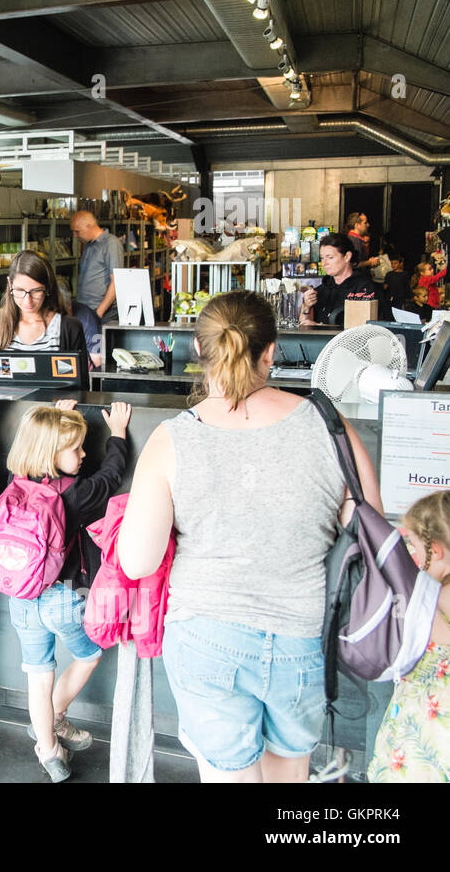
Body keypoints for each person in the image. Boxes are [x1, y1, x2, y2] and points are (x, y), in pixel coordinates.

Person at [116, 291, 382, 782]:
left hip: (204, 638)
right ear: (271, 351)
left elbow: (136, 562)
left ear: (199, 350)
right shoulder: (328, 426)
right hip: (301, 640)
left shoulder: (175, 437)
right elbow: (370, 532)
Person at [2, 398, 132, 781]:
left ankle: (49, 751)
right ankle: (57, 716)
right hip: (62, 596)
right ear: (53, 454)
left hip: (20, 594)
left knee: (37, 675)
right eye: (76, 448)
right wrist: (119, 435)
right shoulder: (75, 494)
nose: (83, 453)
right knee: (90, 656)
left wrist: (59, 418)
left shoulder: (16, 484)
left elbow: (53, 451)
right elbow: (110, 477)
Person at [368, 490, 450, 782]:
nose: (413, 556)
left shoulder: (431, 600)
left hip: (424, 736)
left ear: (436, 551)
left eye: (414, 547)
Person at [0, 251, 89, 358]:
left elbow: (80, 374)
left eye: (36, 291)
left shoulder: (69, 327)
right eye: (20, 290)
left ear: (47, 287)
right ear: (9, 284)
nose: (28, 300)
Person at [300, 232, 388, 325]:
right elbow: (304, 324)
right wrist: (306, 307)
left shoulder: (364, 289)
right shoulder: (321, 290)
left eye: (330, 257)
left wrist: (319, 327)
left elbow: (363, 330)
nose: (324, 263)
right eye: (322, 258)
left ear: (347, 256)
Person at [72, 211, 124, 324]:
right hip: (86, 310)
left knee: (99, 341)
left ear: (89, 226)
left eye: (77, 231)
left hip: (101, 312)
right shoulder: (88, 245)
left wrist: (99, 313)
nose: (75, 235)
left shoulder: (111, 244)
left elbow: (116, 282)